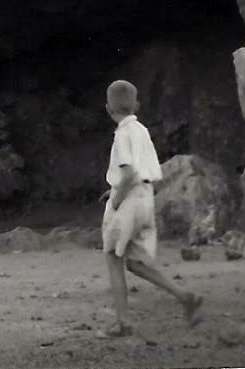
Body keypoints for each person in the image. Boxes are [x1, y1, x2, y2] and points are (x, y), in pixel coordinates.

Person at [98, 79, 202, 337]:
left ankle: (123, 323)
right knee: (135, 263)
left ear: (108, 108)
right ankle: (184, 296)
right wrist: (116, 190)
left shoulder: (122, 134)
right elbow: (142, 171)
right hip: (146, 198)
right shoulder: (142, 130)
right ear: (136, 105)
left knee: (113, 258)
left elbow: (129, 173)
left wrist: (115, 200)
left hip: (129, 201)